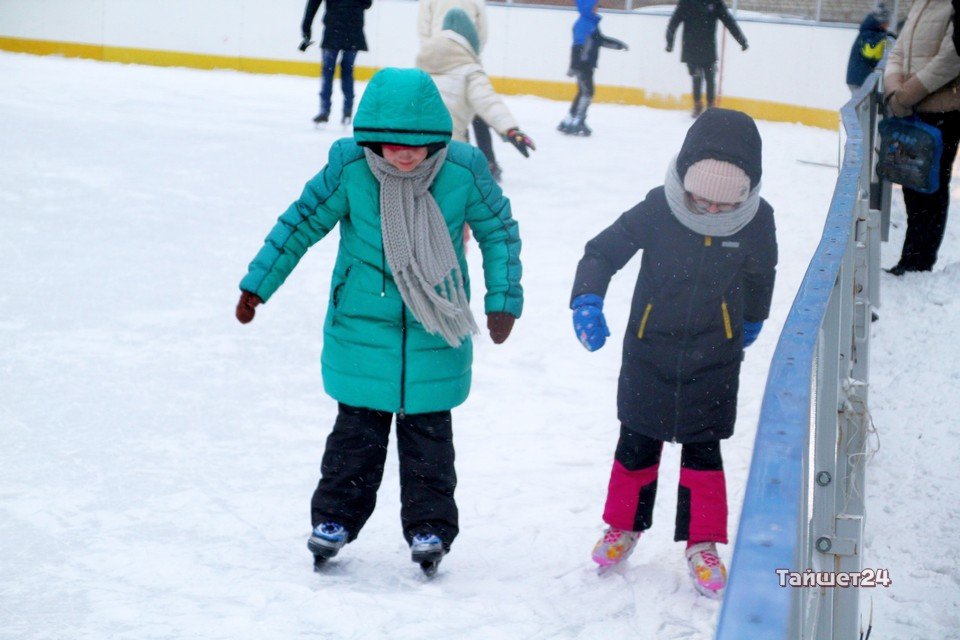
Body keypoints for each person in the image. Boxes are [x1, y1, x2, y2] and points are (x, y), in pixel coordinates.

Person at [234, 68, 523, 576]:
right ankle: (334, 521)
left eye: (416, 144)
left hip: (437, 325)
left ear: (436, 137)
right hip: (362, 328)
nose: (404, 154)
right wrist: (259, 284)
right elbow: (299, 223)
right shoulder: (351, 171)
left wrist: (504, 299)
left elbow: (499, 232)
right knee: (355, 438)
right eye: (390, 143)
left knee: (430, 443)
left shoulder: (462, 171)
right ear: (370, 138)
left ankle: (429, 528)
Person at [569, 108, 777, 599]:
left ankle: (702, 544)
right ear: (683, 179)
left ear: (746, 195)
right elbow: (602, 251)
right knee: (636, 445)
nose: (708, 210)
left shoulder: (756, 221)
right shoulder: (659, 207)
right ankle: (623, 527)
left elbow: (760, 274)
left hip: (715, 358)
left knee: (704, 455)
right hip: (649, 352)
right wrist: (587, 297)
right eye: (700, 198)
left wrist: (753, 319)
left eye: (722, 204)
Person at [883, 0, 960, 275]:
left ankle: (919, 262)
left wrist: (907, 94)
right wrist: (894, 90)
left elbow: (951, 58)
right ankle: (910, 258)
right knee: (911, 186)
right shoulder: (921, 3)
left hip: (942, 113)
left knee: (931, 188)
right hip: (910, 110)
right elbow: (898, 50)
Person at [416, 9, 535, 161]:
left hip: (415, 147)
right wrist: (510, 130)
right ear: (471, 44)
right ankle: (490, 164)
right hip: (450, 148)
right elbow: (488, 102)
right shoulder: (470, 71)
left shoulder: (421, 69)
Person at [418, 0, 504, 181]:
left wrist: (433, 48)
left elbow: (423, 27)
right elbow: (482, 31)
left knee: (449, 111)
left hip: (438, 58)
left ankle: (459, 158)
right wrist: (471, 51)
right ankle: (487, 160)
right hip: (465, 55)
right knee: (477, 108)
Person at [557, 0, 628, 137]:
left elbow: (601, 40)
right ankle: (578, 120)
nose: (597, 9)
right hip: (583, 65)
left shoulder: (591, 24)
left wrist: (618, 45)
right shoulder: (583, 24)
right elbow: (577, 46)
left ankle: (569, 120)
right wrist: (575, 65)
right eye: (595, 6)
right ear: (587, 7)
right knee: (588, 92)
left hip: (587, 64)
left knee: (583, 92)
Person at [666, 0, 748, 118]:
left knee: (709, 77)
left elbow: (729, 21)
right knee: (697, 77)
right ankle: (698, 105)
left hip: (707, 48)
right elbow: (674, 22)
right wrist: (670, 42)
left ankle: (710, 105)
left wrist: (742, 40)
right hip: (692, 48)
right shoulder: (687, 2)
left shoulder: (714, 3)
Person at [299, 0, 373, 125]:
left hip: (334, 29)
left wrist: (306, 29)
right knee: (347, 71)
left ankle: (325, 110)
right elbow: (367, 3)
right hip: (352, 29)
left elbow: (313, 5)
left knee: (328, 71)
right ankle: (347, 109)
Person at [846, 4, 892, 92]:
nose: (888, 25)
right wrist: (883, 38)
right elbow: (870, 53)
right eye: (887, 22)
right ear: (881, 23)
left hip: (859, 78)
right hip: (859, 80)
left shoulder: (871, 31)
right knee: (862, 104)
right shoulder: (869, 34)